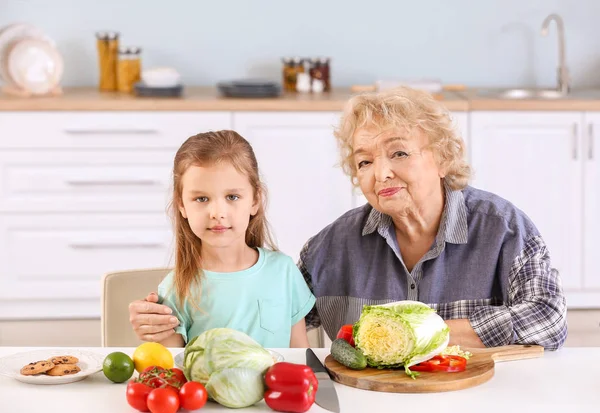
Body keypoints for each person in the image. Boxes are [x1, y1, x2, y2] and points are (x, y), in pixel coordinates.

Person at [298, 86, 567, 350]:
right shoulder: (329, 247)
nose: (380, 174)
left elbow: (548, 319)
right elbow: (277, 320)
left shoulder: (503, 229)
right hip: (366, 394)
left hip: (473, 393)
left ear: (444, 158)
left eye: (399, 153)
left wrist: (421, 333)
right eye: (364, 162)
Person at [128, 130, 315, 348]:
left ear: (255, 200)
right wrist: (155, 331)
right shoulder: (176, 289)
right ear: (182, 206)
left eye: (232, 197)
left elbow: (301, 359)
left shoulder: (284, 271)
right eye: (201, 198)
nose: (217, 212)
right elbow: (172, 370)